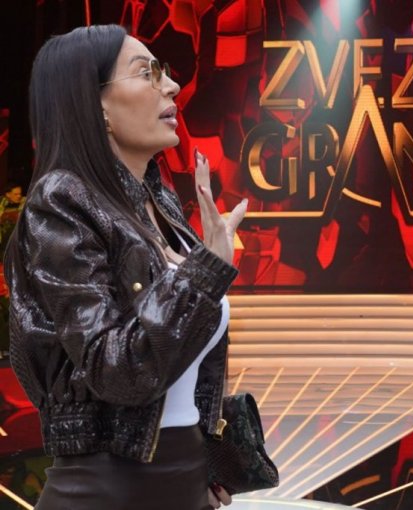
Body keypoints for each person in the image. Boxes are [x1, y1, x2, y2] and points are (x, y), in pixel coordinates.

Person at [4, 25, 248, 509]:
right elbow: (117, 371)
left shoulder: (161, 205)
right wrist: (204, 273)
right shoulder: (61, 201)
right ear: (95, 104)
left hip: (185, 486)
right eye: (147, 73)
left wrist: (211, 461)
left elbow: (188, 367)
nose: (172, 86)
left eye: (165, 71)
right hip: (108, 493)